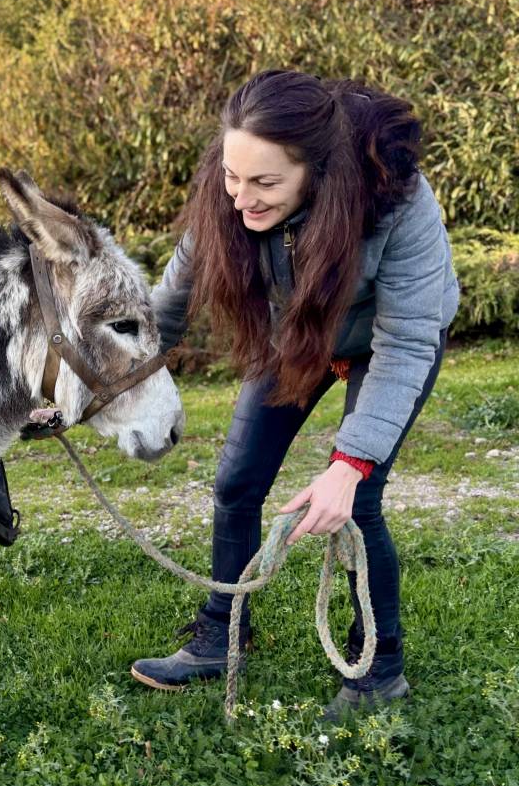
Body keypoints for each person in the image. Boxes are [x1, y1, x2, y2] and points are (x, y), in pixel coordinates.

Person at [129, 69, 459, 718]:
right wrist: (101, 384)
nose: (241, 198)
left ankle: (379, 672)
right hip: (301, 336)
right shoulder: (228, 196)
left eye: (265, 183)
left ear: (317, 171)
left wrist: (350, 463)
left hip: (388, 343)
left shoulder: (396, 198)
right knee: (236, 482)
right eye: (232, 176)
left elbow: (409, 338)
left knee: (358, 501)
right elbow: (168, 305)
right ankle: (223, 636)